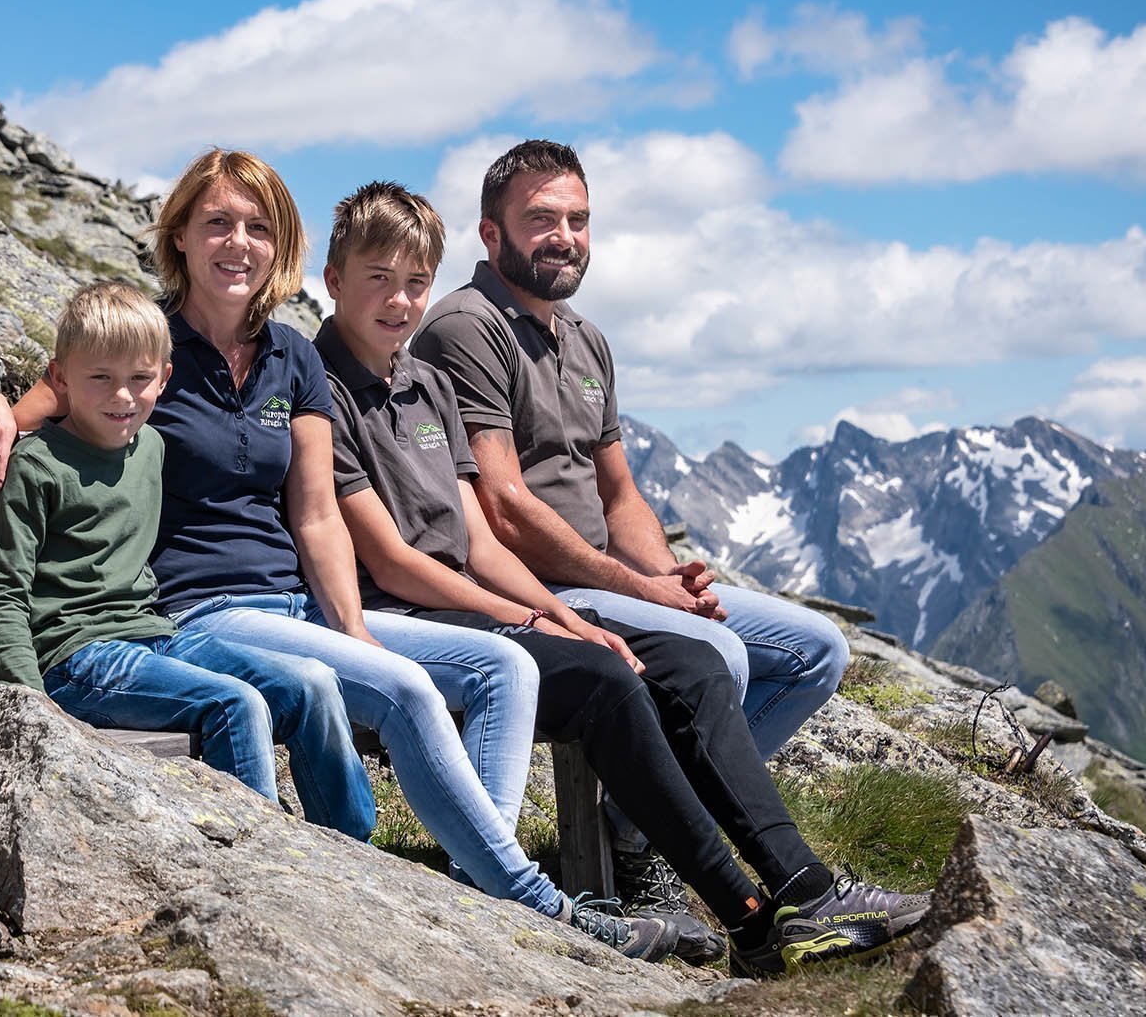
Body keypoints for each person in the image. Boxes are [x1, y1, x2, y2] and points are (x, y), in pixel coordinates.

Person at [0, 150, 690, 962]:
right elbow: (65, 394)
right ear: (180, 238)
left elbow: (315, 516)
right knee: (409, 691)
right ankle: (529, 904)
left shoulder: (291, 358)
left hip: (298, 605)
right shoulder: (149, 350)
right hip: (203, 612)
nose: (237, 244)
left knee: (504, 668)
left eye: (258, 227)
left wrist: (350, 626)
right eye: (217, 224)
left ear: (281, 246)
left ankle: (474, 880)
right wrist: (1, 404)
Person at [316, 180, 930, 975]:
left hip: (483, 598)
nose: (400, 302)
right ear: (333, 280)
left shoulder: (422, 382)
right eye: (379, 281)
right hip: (411, 613)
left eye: (414, 283)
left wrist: (555, 612)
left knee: (695, 660)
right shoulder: (318, 382)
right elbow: (395, 561)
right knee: (604, 673)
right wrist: (536, 618)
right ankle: (750, 921)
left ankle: (803, 890)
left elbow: (477, 537)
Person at [412, 140, 853, 907]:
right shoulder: (466, 327)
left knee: (818, 649)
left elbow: (620, 495)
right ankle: (675, 854)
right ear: (491, 235)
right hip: (539, 583)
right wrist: (639, 589)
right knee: (716, 650)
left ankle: (631, 824)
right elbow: (503, 507)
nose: (565, 236)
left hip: (608, 577)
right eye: (541, 218)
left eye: (579, 220)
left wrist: (663, 577)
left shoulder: (586, 340)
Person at [0, 282, 358, 813]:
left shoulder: (150, 446)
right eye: (100, 378)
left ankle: (348, 851)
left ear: (164, 378)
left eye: (139, 379)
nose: (123, 396)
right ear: (61, 378)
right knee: (236, 704)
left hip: (154, 635)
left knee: (314, 682)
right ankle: (263, 866)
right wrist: (28, 707)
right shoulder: (37, 466)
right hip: (74, 657)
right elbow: (1, 596)